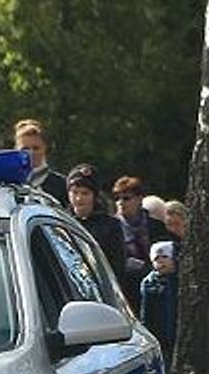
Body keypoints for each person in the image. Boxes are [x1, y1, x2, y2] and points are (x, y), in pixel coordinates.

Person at [113, 176, 170, 314]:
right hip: (125, 291)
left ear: (139, 199)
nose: (120, 203)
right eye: (117, 198)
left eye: (126, 198)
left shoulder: (156, 227)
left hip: (155, 289)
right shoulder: (111, 228)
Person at [66, 163, 126, 291]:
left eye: (85, 193)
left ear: (94, 196)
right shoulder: (61, 220)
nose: (78, 198)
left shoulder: (110, 226)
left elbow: (118, 267)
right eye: (74, 192)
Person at [140, 241, 178, 366]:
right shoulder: (150, 283)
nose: (161, 261)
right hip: (161, 334)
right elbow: (146, 313)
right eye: (156, 258)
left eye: (165, 257)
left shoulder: (181, 279)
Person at [13, 119, 67, 204]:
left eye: (36, 148)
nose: (31, 153)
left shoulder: (61, 184)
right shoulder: (10, 183)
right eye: (25, 149)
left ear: (45, 148)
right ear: (16, 150)